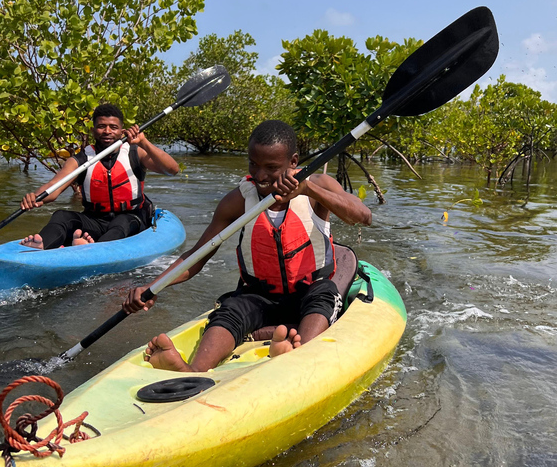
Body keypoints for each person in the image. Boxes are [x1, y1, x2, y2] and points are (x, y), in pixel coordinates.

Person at [123, 120, 371, 372]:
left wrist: (309, 190)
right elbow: (197, 256)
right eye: (254, 164)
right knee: (230, 310)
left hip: (310, 291)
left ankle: (297, 354)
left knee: (323, 297)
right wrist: (153, 287)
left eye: (272, 167)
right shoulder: (238, 200)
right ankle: (193, 372)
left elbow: (362, 216)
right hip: (259, 295)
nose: (261, 175)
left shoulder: (317, 185)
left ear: (293, 161)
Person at [19, 103, 180, 249]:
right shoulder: (81, 159)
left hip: (131, 217)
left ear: (122, 131)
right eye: (101, 126)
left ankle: (91, 250)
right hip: (94, 220)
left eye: (113, 127)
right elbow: (54, 187)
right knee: (61, 216)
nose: (107, 131)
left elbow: (172, 169)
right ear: (93, 130)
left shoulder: (135, 152)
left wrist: (144, 142)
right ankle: (42, 245)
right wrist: (36, 197)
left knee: (121, 223)